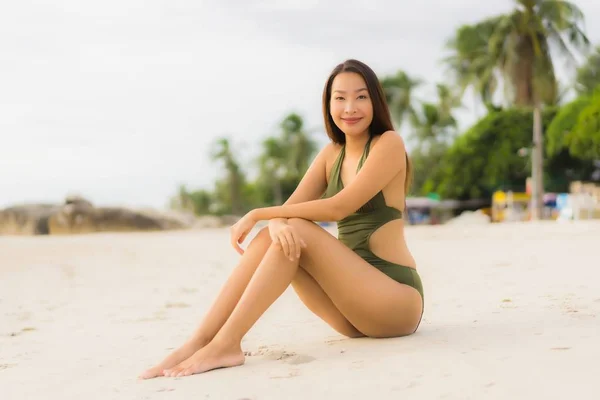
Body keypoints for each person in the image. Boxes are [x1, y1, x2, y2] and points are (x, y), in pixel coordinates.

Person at [139, 59, 424, 379]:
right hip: (352, 315)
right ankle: (203, 340)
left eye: (360, 97)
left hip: (395, 302)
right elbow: (290, 209)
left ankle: (227, 343)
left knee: (294, 229)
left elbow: (336, 208)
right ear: (328, 104)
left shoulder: (388, 143)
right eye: (339, 98)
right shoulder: (332, 153)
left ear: (375, 101)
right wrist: (275, 222)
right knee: (282, 233)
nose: (350, 107)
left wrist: (261, 214)